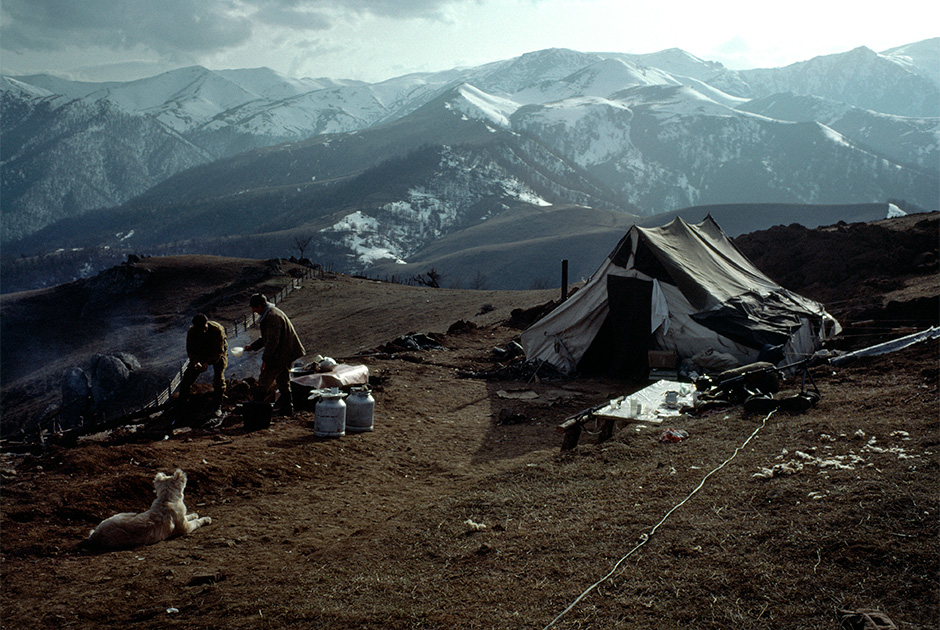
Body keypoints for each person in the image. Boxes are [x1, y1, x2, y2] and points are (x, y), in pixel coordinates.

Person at [245, 293, 305, 415]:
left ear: (261, 305)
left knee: (265, 379)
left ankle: (255, 409)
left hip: (281, 354)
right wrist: (252, 346)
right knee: (283, 380)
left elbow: (272, 341)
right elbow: (267, 337)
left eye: (255, 307)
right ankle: (287, 408)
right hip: (286, 352)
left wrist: (265, 359)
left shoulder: (272, 317)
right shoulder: (272, 313)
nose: (253, 310)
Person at [179, 313, 228, 408]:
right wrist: (196, 361)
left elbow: (219, 351)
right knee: (188, 377)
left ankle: (218, 404)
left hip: (217, 353)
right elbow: (190, 350)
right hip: (201, 353)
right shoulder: (192, 331)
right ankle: (182, 404)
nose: (203, 331)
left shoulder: (217, 329)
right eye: (200, 329)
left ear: (207, 323)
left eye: (204, 328)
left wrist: (208, 363)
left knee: (219, 377)